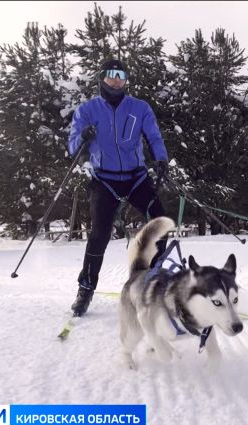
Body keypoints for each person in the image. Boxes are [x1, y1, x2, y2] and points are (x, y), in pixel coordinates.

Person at [67, 59, 170, 317]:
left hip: (135, 177)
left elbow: (154, 136)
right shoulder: (88, 110)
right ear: (102, 78)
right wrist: (84, 137)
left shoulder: (139, 107)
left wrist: (161, 159)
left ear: (126, 80)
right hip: (105, 180)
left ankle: (152, 283)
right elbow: (72, 147)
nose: (116, 80)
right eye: (111, 75)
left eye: (121, 75)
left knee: (161, 225)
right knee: (99, 234)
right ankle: (85, 289)